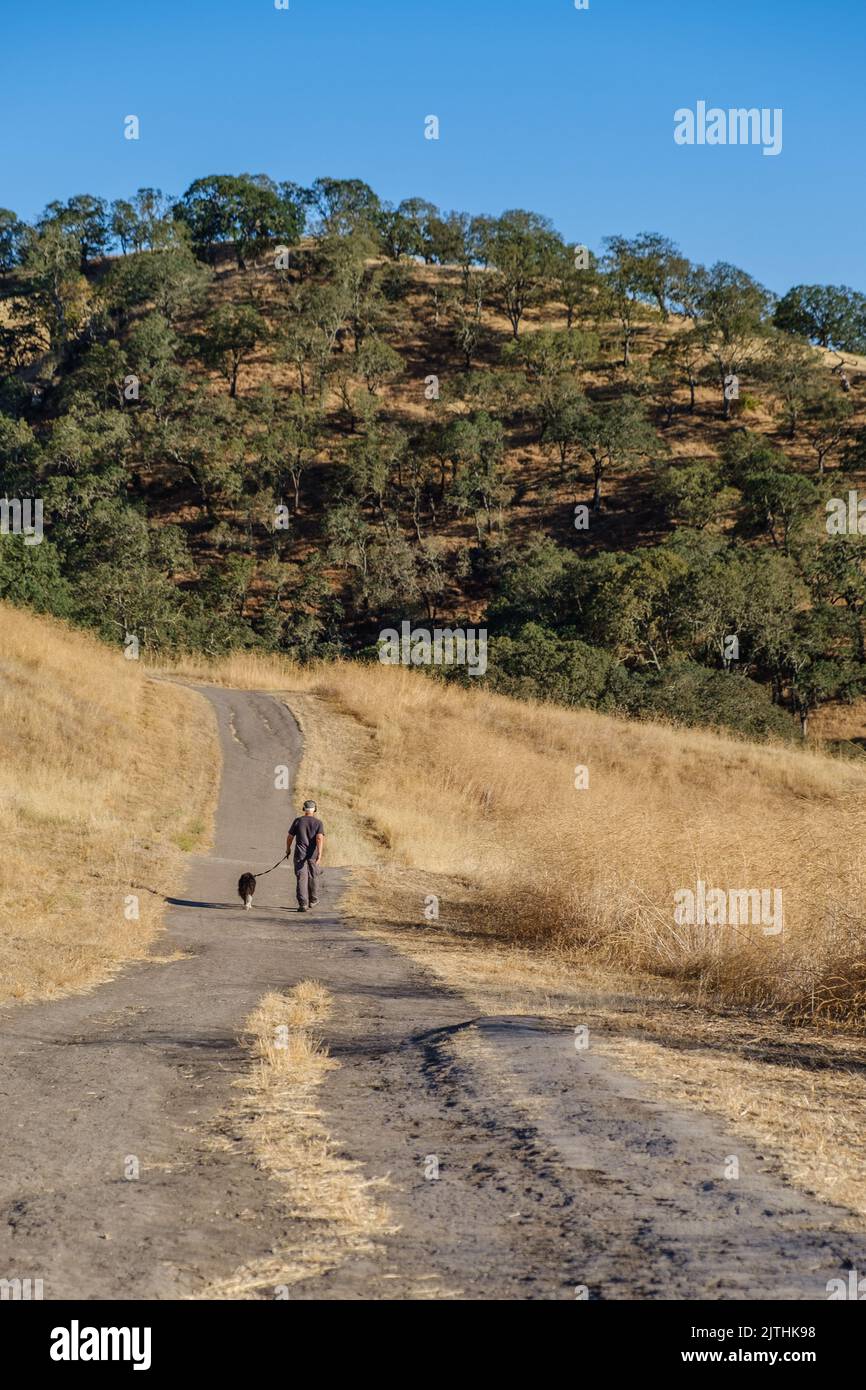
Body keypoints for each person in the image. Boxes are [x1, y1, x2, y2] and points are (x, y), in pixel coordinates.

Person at [286, 800, 325, 913]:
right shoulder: (318, 823)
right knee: (313, 876)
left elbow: (290, 837)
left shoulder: (298, 821)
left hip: (299, 853)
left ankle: (303, 904)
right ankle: (313, 900)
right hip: (312, 854)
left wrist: (288, 849)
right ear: (315, 810)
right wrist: (320, 854)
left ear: (304, 809)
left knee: (301, 877)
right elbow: (319, 838)